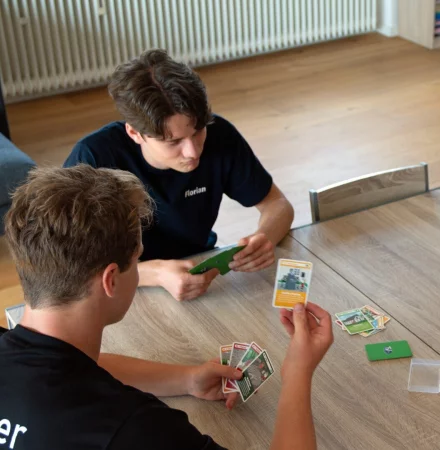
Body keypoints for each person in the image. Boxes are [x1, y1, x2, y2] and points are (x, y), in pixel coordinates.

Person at [0, 165, 333, 450]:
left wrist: (187, 379)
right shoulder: (136, 428)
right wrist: (297, 372)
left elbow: (70, 368)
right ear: (111, 279)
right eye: (137, 259)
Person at [64, 49, 294, 302]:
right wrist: (155, 274)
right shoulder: (93, 158)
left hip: (199, 271)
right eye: (173, 142)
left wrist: (265, 237)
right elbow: (66, 258)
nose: (193, 152)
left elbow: (278, 204)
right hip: (119, 286)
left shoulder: (220, 134)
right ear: (134, 133)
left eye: (198, 132)